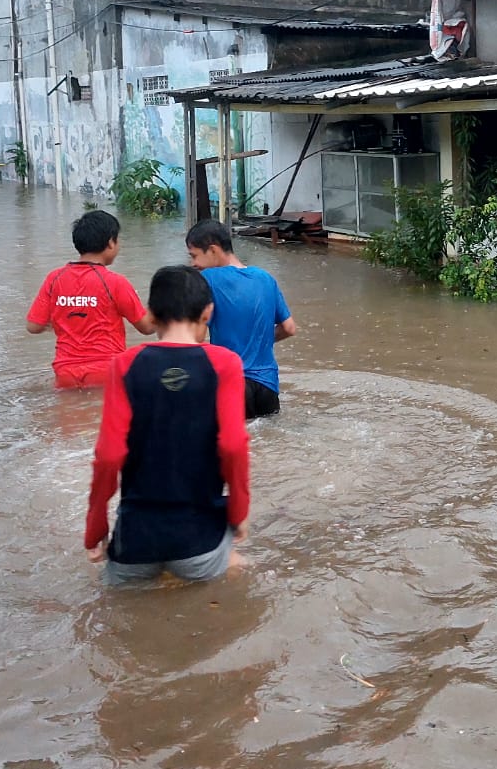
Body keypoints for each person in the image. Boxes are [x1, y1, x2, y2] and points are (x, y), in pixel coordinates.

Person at [85, 264, 250, 585]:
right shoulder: (225, 364)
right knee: (240, 572)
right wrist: (239, 514)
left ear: (151, 315)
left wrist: (96, 527)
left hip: (134, 543)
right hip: (199, 542)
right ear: (208, 312)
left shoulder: (124, 364)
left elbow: (108, 455)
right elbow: (233, 445)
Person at [26, 209, 156, 388]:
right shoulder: (115, 282)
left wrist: (60, 319)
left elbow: (33, 326)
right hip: (106, 371)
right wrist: (164, 303)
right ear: (111, 242)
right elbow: (147, 327)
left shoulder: (54, 278)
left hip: (65, 373)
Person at [186, 220, 296, 419]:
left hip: (232, 383)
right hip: (268, 386)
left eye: (194, 256)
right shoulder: (265, 278)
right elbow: (288, 328)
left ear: (212, 250)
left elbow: (192, 334)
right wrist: (257, 340)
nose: (194, 264)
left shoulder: (207, 278)